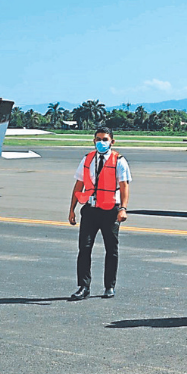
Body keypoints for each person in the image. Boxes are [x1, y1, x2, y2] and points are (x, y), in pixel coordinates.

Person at [68, 127, 132, 300]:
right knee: (84, 249)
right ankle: (83, 286)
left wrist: (123, 208)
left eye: (104, 139)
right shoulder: (87, 159)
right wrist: (72, 209)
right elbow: (79, 184)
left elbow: (124, 186)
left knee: (111, 250)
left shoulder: (118, 160)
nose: (101, 142)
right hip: (90, 209)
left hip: (110, 210)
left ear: (112, 141)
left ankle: (109, 286)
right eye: (98, 139)